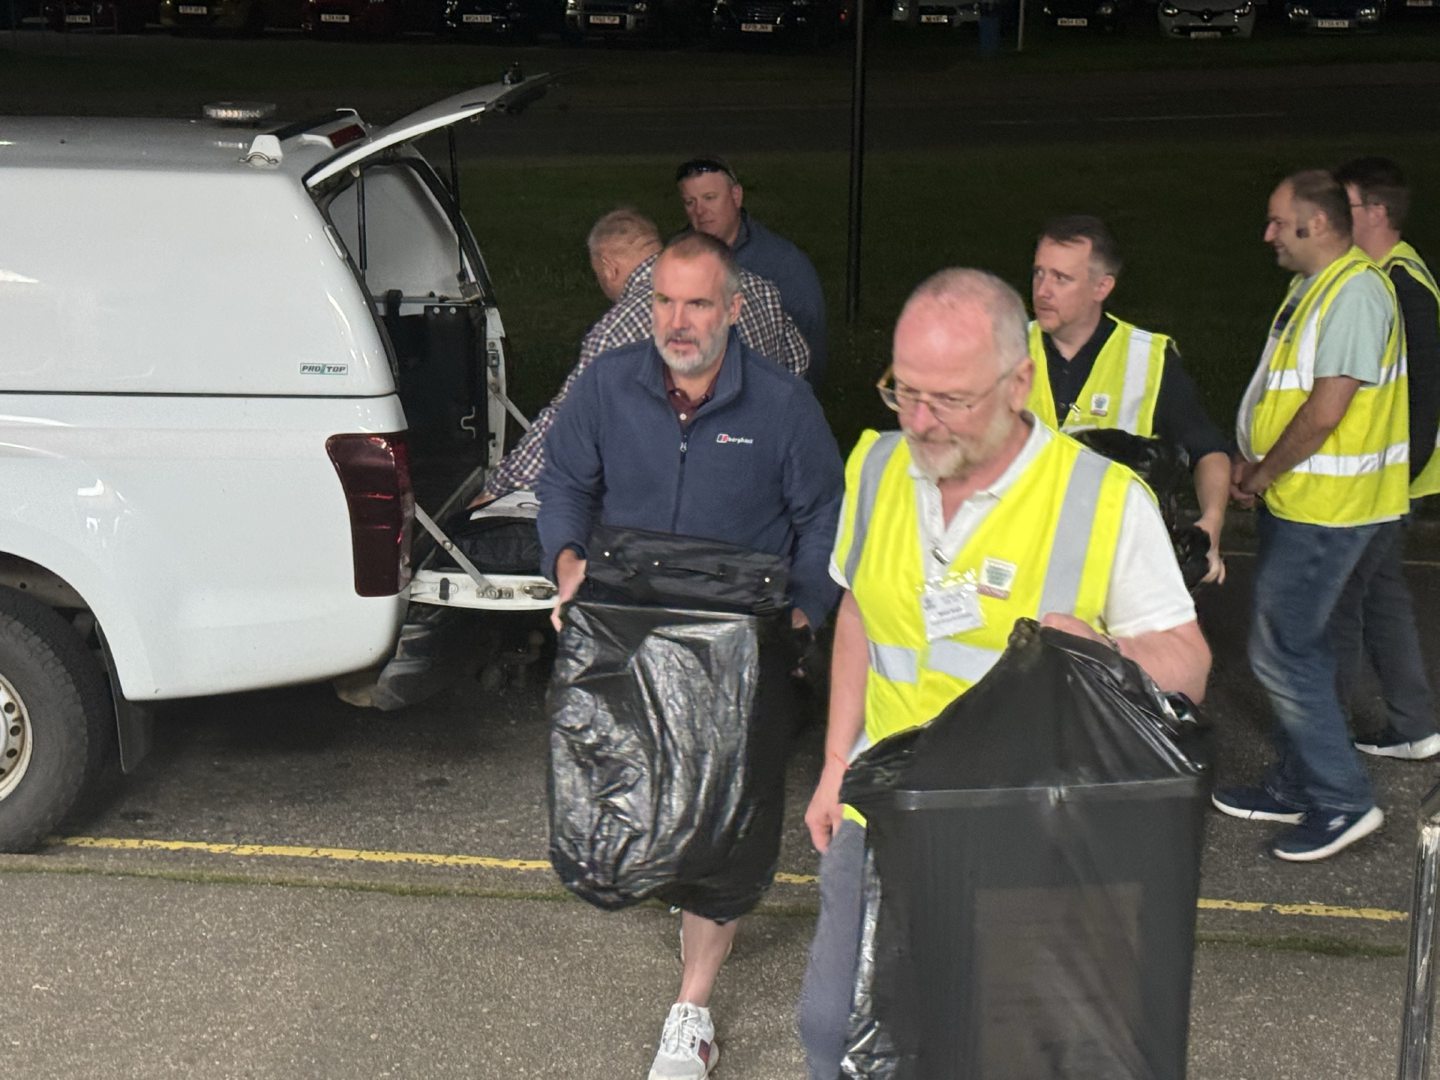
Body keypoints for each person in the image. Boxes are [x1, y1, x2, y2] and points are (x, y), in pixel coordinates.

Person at [796, 268, 1211, 1080]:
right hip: (889, 810)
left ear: (1019, 381)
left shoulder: (1101, 499)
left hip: (1030, 832)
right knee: (832, 1032)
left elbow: (1188, 664)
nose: (920, 420)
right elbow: (858, 615)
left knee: (1002, 1050)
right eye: (904, 391)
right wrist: (836, 762)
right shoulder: (877, 468)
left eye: (949, 399)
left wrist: (1103, 653)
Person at [537, 231, 844, 1080]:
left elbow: (823, 514)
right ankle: (665, 874)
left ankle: (692, 1008)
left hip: (738, 651)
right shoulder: (607, 385)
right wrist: (564, 558)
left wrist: (804, 612)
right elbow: (565, 483)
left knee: (727, 828)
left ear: (734, 309)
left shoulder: (782, 405)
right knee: (625, 795)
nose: (678, 321)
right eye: (664, 302)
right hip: (625, 640)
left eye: (698, 302)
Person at [1217, 169, 1410, 862]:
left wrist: (1262, 473)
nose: (1267, 233)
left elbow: (1327, 409)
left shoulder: (1355, 294)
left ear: (1317, 224)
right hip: (1309, 503)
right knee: (1310, 646)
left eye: (1278, 221)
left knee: (1281, 648)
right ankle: (1303, 779)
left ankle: (1342, 798)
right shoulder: (1316, 288)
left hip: (1330, 510)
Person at [474, 207, 809, 504]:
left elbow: (567, 422)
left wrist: (498, 488)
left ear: (607, 266)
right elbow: (796, 359)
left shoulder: (624, 325)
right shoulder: (755, 287)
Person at [1029, 214, 1232, 584]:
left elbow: (1209, 451)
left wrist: (1211, 527)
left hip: (1113, 565)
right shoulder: (1004, 348)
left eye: (1061, 278)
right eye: (1039, 273)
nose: (1042, 290)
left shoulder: (1147, 359)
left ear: (1101, 286)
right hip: (1019, 553)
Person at [1328, 157, 1440, 760]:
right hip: (1393, 475)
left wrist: (1400, 473)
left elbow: (1423, 391)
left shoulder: (1398, 283)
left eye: (1343, 206)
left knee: (1343, 597)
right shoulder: (1390, 273)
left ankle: (1327, 738)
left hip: (1386, 478)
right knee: (1381, 595)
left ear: (1375, 211)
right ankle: (1413, 724)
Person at [675, 156, 829, 390]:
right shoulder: (675, 256)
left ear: (736, 196)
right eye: (690, 202)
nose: (700, 211)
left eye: (709, 198)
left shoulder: (782, 264)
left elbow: (811, 348)